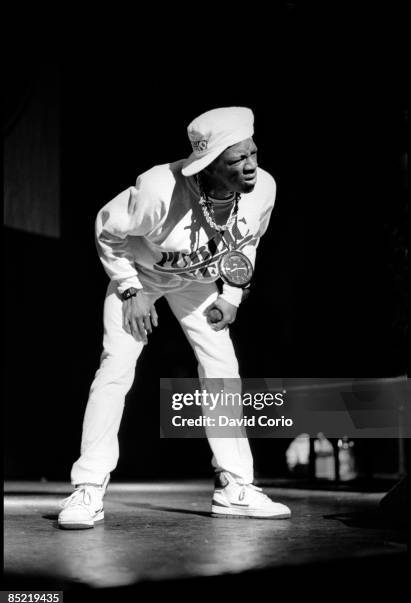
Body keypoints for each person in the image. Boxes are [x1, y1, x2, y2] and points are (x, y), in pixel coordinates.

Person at [58, 107, 292, 529]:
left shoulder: (264, 188)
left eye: (253, 152)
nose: (252, 164)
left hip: (198, 282)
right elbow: (108, 230)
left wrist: (234, 294)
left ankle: (235, 486)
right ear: (209, 163)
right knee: (116, 369)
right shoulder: (159, 188)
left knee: (223, 368)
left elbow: (250, 240)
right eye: (238, 159)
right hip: (141, 275)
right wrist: (130, 290)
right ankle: (87, 489)